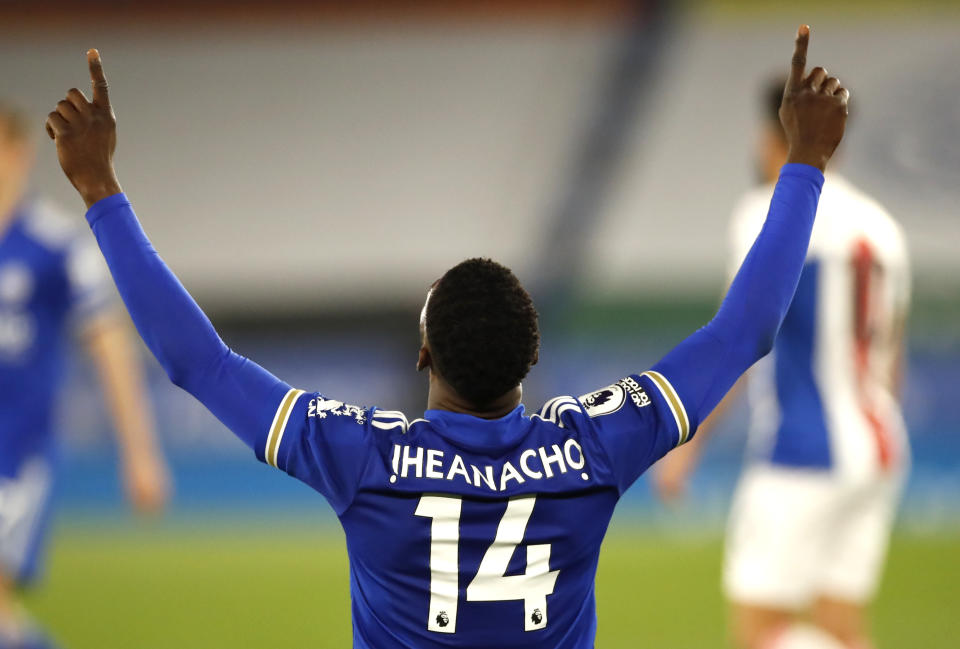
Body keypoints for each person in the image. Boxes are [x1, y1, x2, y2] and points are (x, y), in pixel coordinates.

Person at [45, 25, 847, 649]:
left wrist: (101, 190)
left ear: (423, 352)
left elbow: (197, 362)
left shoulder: (365, 458)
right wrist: (806, 161)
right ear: (534, 357)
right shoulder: (594, 448)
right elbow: (745, 330)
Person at [654, 76, 910, 649]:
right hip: (880, 445)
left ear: (773, 137)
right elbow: (894, 354)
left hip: (803, 449)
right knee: (844, 625)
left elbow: (739, 341)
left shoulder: (767, 213)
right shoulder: (882, 228)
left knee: (760, 632)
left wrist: (685, 447)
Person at [0, 103, 170, 649]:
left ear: (19, 155)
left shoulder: (53, 246)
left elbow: (109, 344)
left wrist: (140, 452)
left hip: (16, 460)